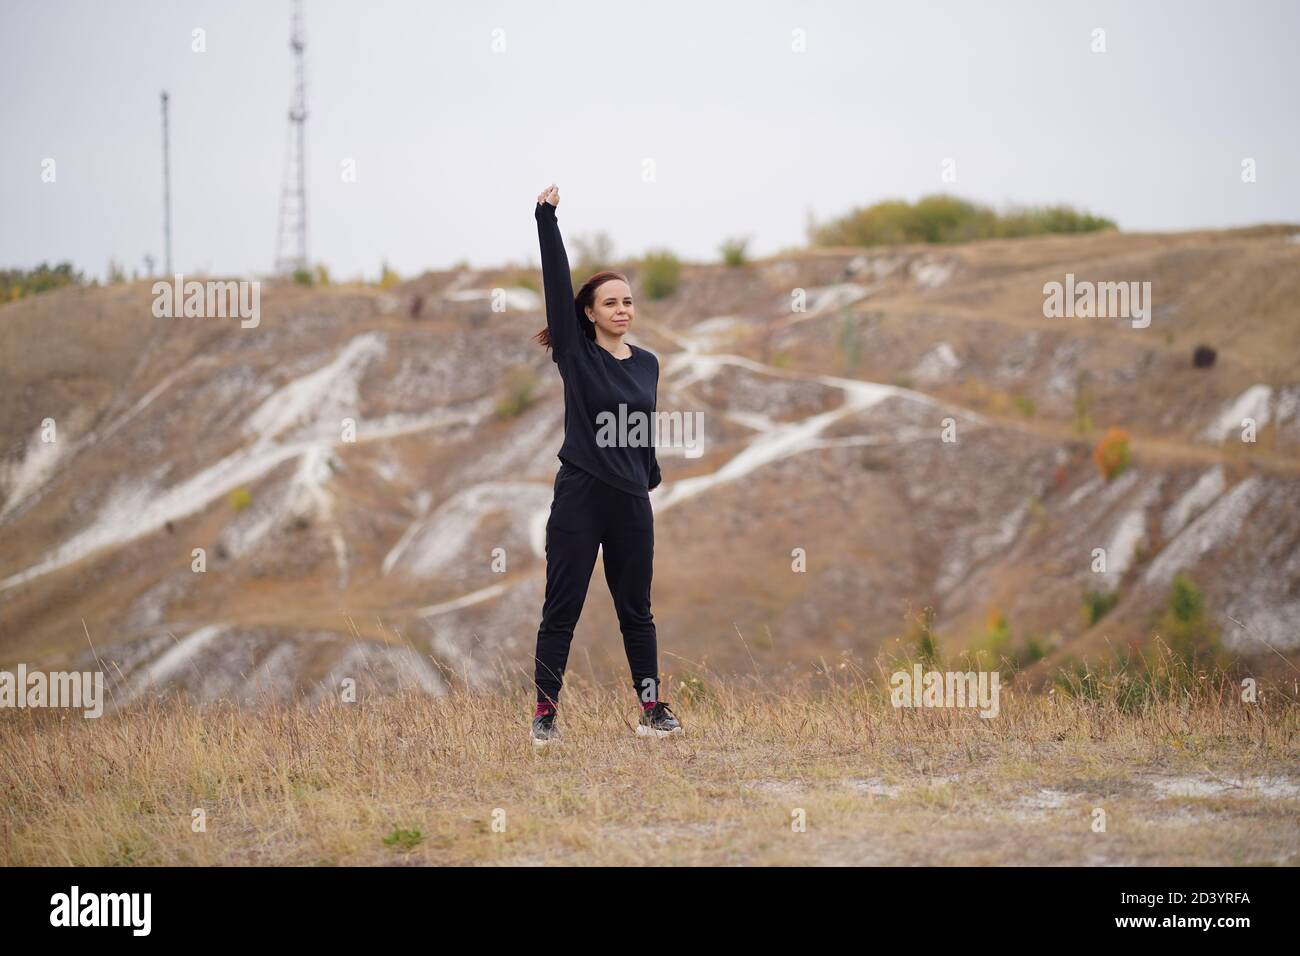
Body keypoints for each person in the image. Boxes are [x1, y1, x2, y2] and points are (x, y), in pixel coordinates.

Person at [529, 183, 682, 745]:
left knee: (637, 612)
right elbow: (554, 283)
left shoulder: (648, 363)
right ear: (589, 314)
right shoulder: (576, 353)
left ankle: (652, 708)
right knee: (560, 611)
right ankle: (545, 717)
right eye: (611, 302)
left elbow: (640, 427)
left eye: (628, 301)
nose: (622, 309)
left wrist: (648, 477)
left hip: (629, 501)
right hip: (580, 495)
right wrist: (547, 219)